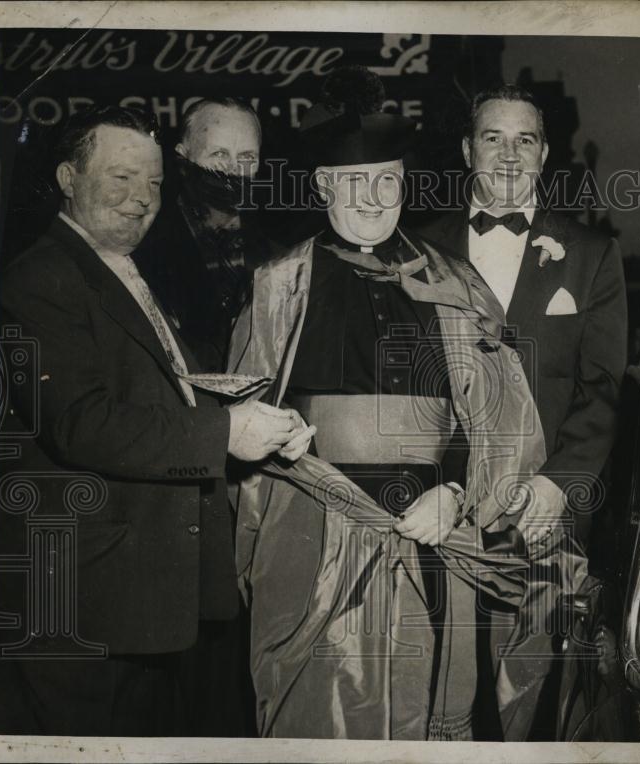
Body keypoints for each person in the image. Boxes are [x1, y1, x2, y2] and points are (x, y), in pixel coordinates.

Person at [227, 67, 551, 740]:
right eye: (353, 182)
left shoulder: (455, 285)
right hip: (316, 541)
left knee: (430, 710)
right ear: (322, 187)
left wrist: (456, 494)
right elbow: (241, 433)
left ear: (405, 184)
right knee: (321, 718)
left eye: (386, 180)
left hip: (433, 532)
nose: (372, 198)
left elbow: (498, 417)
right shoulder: (278, 286)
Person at [0, 105, 312, 736]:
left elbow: (171, 391)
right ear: (66, 178)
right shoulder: (38, 278)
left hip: (139, 597)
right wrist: (227, 434)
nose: (141, 200)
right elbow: (81, 423)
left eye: (155, 183)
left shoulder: (121, 267)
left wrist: (261, 423)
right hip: (84, 600)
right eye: (120, 179)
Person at [418, 84, 629, 740]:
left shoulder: (591, 255)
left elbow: (603, 389)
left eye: (525, 140)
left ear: (544, 157)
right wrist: (440, 485)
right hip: (445, 515)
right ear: (465, 150)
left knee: (542, 713)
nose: (509, 157)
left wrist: (556, 483)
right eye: (492, 138)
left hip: (547, 524)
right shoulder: (417, 250)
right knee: (446, 704)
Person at [134, 97, 273, 372]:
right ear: (182, 158)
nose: (233, 169)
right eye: (219, 154)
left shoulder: (276, 254)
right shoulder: (142, 250)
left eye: (247, 157)